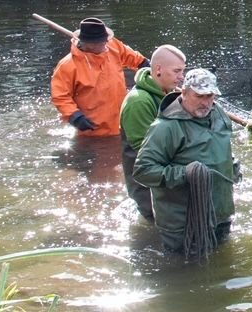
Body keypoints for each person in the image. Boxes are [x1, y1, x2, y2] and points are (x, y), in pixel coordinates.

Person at [133, 68, 239, 257]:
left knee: (224, 261)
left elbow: (223, 148)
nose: (206, 103)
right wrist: (185, 173)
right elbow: (143, 170)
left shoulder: (219, 114)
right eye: (200, 96)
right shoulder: (165, 128)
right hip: (183, 224)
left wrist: (232, 166)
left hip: (221, 213)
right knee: (184, 272)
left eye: (210, 96)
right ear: (184, 92)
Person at [119, 45, 187, 220]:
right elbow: (143, 149)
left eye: (183, 71)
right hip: (146, 184)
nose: (182, 77)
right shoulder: (138, 102)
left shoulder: (171, 93)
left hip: (168, 175)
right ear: (158, 69)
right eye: (177, 71)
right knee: (155, 223)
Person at [51, 18, 148, 138]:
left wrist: (150, 68)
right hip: (93, 130)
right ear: (89, 44)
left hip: (124, 124)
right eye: (102, 41)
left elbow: (137, 60)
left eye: (106, 40)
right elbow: (60, 96)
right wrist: (75, 117)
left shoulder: (112, 45)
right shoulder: (68, 66)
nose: (106, 43)